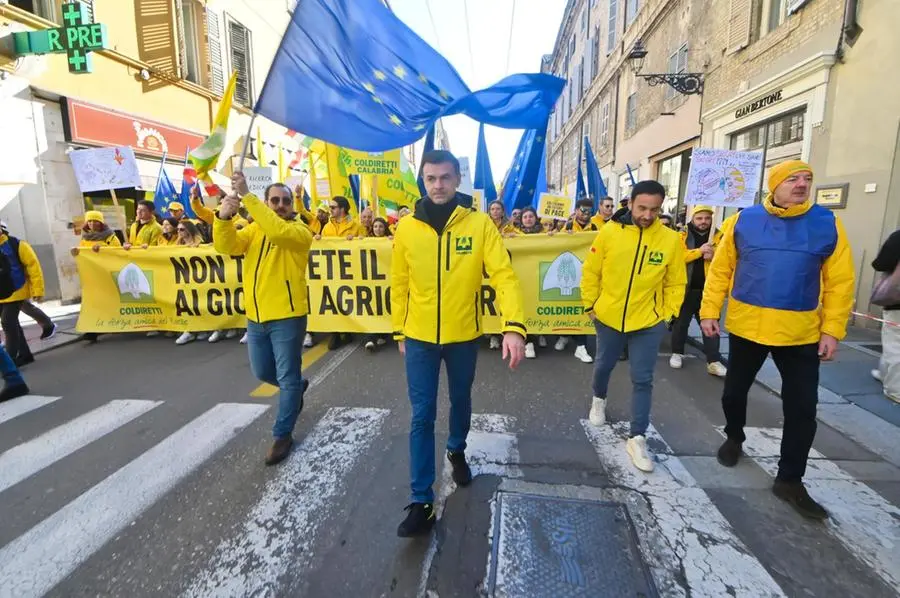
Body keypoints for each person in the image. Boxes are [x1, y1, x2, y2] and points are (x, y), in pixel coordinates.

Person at [701, 160, 854, 520]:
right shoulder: (743, 220)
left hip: (800, 332)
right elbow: (721, 270)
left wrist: (832, 330)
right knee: (734, 393)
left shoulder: (827, 224)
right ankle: (735, 436)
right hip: (748, 328)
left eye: (807, 179)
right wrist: (709, 311)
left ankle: (790, 480)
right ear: (775, 185)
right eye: (793, 179)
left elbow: (840, 282)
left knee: (802, 409)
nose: (801, 184)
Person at [392, 150, 525, 537]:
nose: (438, 185)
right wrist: (400, 330)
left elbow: (504, 275)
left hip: (464, 336)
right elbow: (399, 283)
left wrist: (513, 326)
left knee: (461, 400)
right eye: (431, 178)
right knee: (421, 415)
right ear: (422, 180)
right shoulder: (406, 228)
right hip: (418, 338)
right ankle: (422, 501)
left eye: (445, 178)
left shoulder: (480, 224)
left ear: (457, 179)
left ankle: (456, 448)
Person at [581, 180, 686, 472]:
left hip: (648, 321)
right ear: (630, 203)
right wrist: (591, 305)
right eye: (642, 208)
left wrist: (667, 315)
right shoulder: (609, 233)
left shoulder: (669, 240)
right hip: (609, 318)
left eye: (654, 209)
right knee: (604, 365)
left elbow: (676, 282)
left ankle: (637, 436)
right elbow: (591, 272)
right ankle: (599, 398)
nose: (648, 215)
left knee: (643, 379)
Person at [215, 177, 314, 466]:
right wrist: (223, 217)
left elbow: (278, 231)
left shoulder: (298, 230)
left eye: (286, 201)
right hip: (256, 317)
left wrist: (247, 197)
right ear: (268, 202)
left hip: (287, 315)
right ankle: (296, 386)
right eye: (275, 201)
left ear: (292, 205)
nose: (281, 205)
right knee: (263, 372)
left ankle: (282, 434)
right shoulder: (253, 229)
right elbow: (227, 246)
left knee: (286, 378)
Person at [669, 205, 727, 377]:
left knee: (711, 327)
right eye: (700, 218)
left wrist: (714, 254)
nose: (703, 222)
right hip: (686, 288)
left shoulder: (720, 236)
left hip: (709, 291)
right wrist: (699, 252)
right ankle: (677, 353)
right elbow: (677, 258)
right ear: (693, 218)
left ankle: (713, 361)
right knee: (681, 324)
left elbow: (729, 259)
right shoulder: (682, 235)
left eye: (707, 218)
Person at [553, 198, 597, 363]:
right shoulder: (567, 226)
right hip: (568, 274)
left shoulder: (596, 228)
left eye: (589, 211)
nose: (586, 214)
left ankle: (581, 346)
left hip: (587, 275)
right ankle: (564, 335)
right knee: (565, 306)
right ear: (577, 210)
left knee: (582, 308)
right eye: (583, 210)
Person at [318, 196, 362, 349]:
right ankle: (336, 333)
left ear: (342, 209)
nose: (330, 210)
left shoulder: (356, 225)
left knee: (347, 299)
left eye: (333, 207)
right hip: (331, 269)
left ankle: (348, 331)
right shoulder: (327, 227)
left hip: (349, 270)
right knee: (332, 299)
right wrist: (318, 240)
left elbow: (365, 244)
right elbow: (322, 244)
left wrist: (356, 240)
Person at [0, 223, 46, 367]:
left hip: (16, 291)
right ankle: (25, 355)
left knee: (7, 323)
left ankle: (10, 362)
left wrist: (37, 290)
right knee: (13, 325)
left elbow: (33, 266)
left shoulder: (17, 244)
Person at [871, 229, 900, 402]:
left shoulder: (898, 237)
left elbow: (880, 263)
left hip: (897, 302)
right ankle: (884, 372)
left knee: (895, 344)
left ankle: (896, 390)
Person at [518, 207, 545, 358]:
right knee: (525, 309)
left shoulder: (544, 234)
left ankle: (538, 335)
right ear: (521, 220)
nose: (528, 219)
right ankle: (528, 343)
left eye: (531, 216)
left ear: (536, 218)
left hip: (538, 277)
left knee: (536, 308)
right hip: (522, 278)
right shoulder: (514, 234)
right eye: (525, 217)